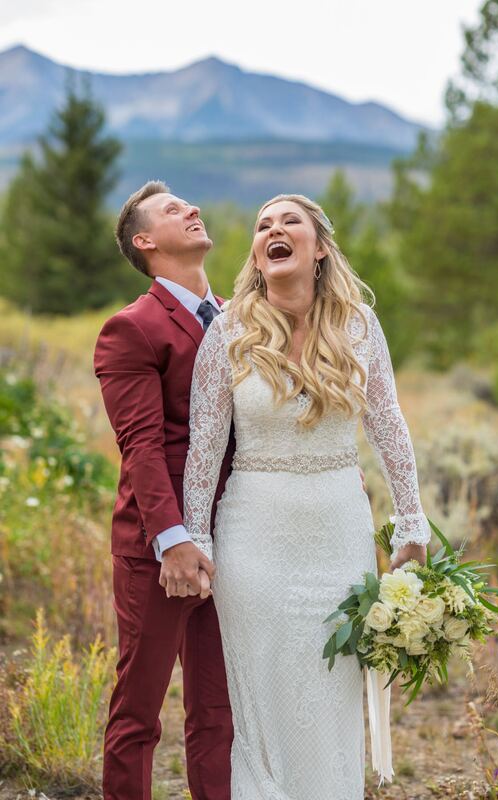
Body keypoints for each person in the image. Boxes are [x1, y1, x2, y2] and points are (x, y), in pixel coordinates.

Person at [182, 194, 432, 798]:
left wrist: (411, 525)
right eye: (264, 225)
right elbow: (204, 446)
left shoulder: (359, 326)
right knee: (263, 702)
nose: (274, 230)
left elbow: (390, 427)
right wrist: (196, 537)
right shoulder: (229, 333)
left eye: (289, 221)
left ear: (318, 246)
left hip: (337, 528)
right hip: (252, 539)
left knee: (331, 690)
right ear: (259, 255)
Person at [94, 181, 235, 800]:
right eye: (174, 210)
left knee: (219, 712)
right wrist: (173, 542)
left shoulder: (240, 319)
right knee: (138, 713)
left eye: (190, 203)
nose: (193, 209)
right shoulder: (132, 328)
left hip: (236, 532)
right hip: (162, 549)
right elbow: (142, 448)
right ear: (145, 242)